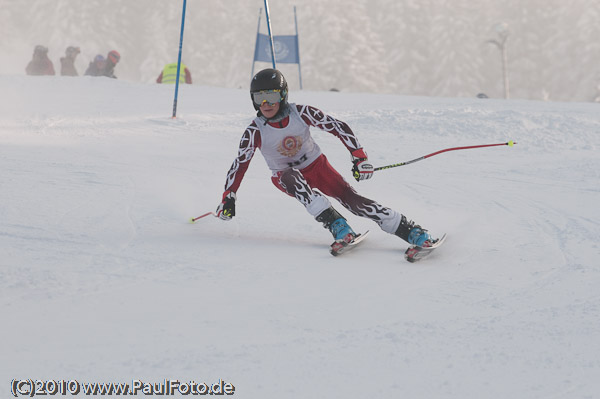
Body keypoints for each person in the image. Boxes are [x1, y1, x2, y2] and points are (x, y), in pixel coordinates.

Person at [215, 68, 439, 259]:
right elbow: (240, 164)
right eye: (259, 98)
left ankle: (412, 232)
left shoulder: (300, 112)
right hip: (285, 175)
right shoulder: (255, 131)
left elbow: (337, 126)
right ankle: (339, 227)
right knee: (292, 178)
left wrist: (359, 157)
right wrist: (229, 196)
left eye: (271, 97)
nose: (266, 104)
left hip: (317, 166)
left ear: (283, 95)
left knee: (353, 201)